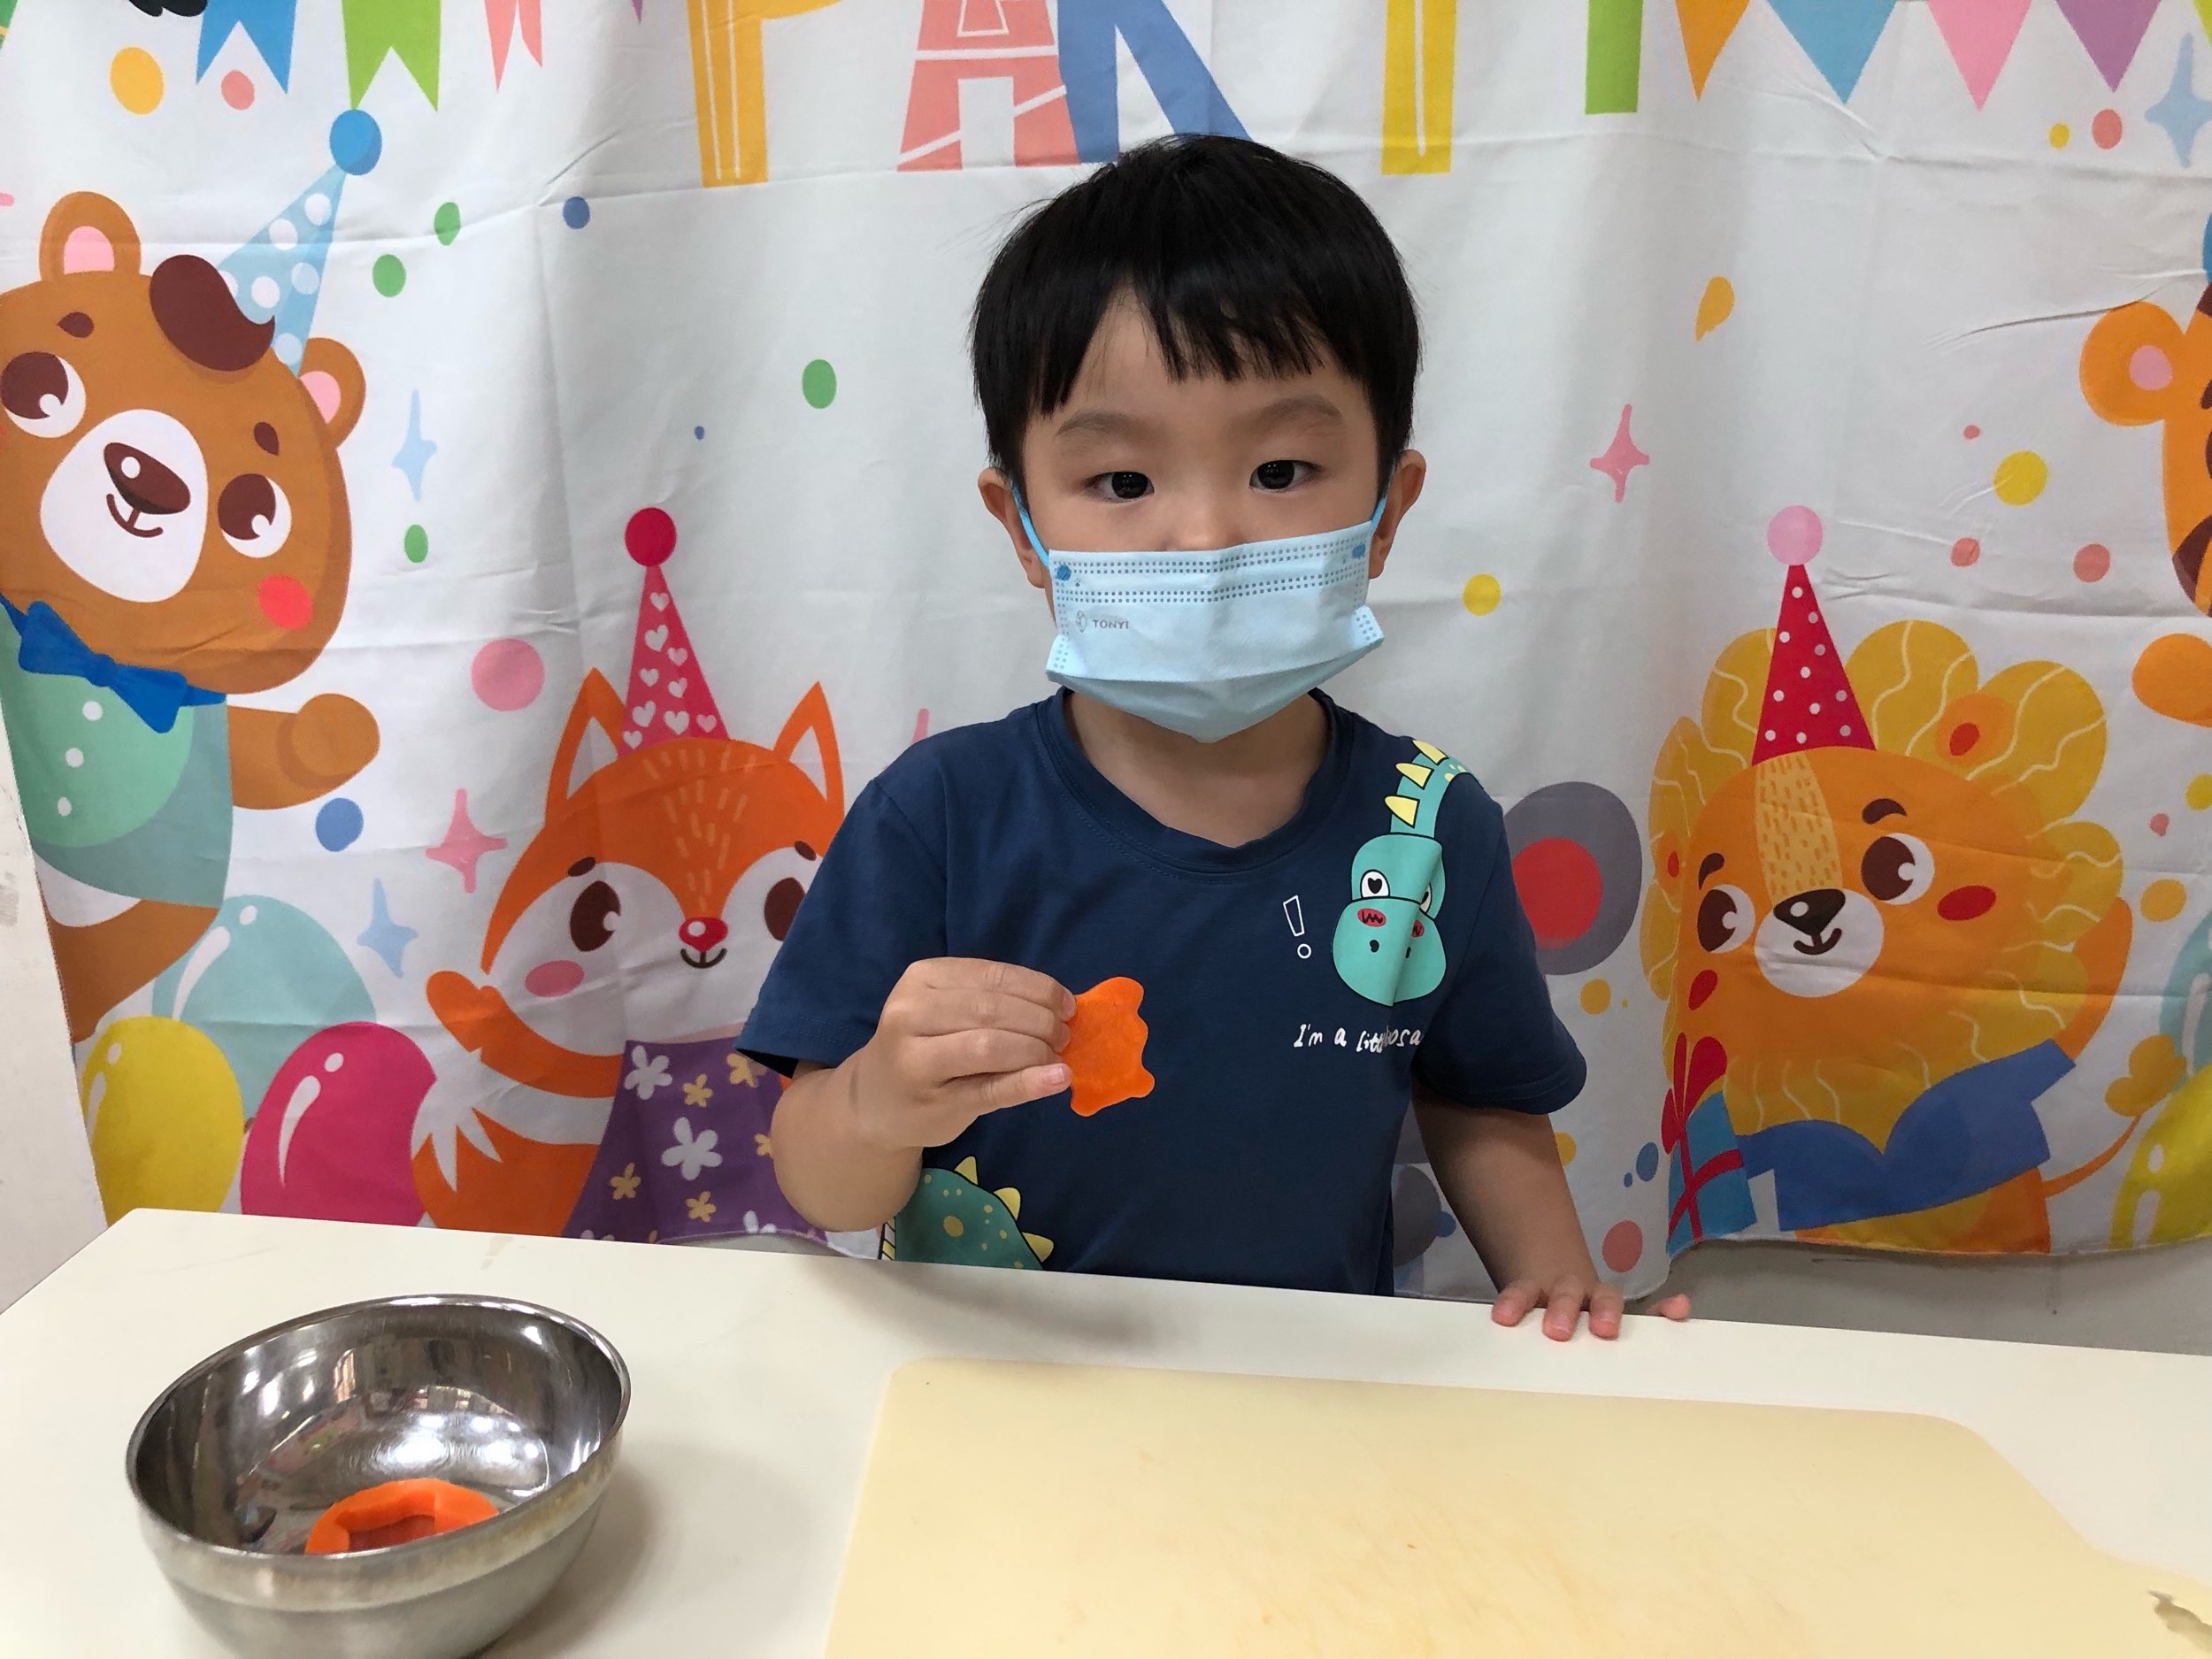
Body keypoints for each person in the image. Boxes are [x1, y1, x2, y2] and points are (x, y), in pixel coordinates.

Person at [739, 134, 1688, 1339]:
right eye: (1122, 483)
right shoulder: (937, 814)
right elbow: (817, 1176)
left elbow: (1483, 1100)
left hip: (1308, 1391)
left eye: (1282, 469)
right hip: (991, 1391)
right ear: (1022, 527)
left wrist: (1555, 1287)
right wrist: (878, 1103)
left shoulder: (1431, 826)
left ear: (1386, 511)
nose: (1204, 536)